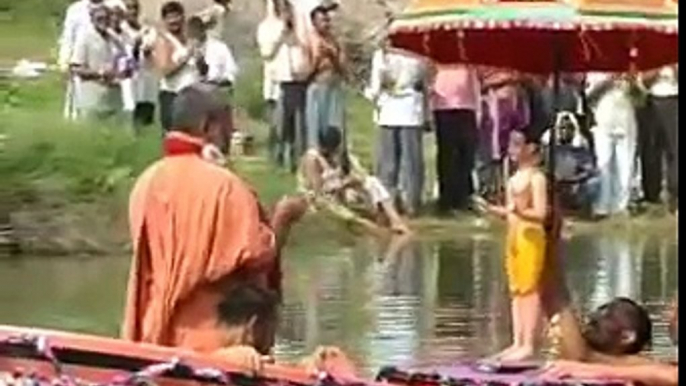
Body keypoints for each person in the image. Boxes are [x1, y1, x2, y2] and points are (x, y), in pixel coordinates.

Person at [122, 85, 307, 353]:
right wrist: (283, 221)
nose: (232, 135)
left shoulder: (146, 182)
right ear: (209, 126)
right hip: (211, 343)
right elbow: (258, 259)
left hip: (154, 336)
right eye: (228, 126)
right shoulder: (225, 187)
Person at [475, 130, 549, 362]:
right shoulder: (513, 178)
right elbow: (510, 212)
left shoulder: (537, 178)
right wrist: (493, 210)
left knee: (530, 290)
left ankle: (529, 343)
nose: (513, 150)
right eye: (512, 145)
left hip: (531, 237)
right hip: (515, 237)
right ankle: (517, 341)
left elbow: (541, 213)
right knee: (516, 291)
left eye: (518, 145)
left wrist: (520, 211)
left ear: (531, 149)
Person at [209, 282, 358, 379]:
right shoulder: (233, 361)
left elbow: (275, 371)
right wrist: (226, 361)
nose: (272, 342)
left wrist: (306, 367)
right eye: (271, 330)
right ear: (253, 326)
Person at [298, 127, 410, 234]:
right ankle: (375, 230)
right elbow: (318, 192)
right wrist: (341, 186)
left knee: (372, 182)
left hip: (342, 191)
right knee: (348, 213)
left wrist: (350, 182)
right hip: (323, 199)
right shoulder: (313, 159)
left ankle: (395, 220)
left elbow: (361, 174)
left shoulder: (341, 155)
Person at [366, 40, 430, 217]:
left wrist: (371, 95)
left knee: (388, 162)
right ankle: (410, 202)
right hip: (407, 109)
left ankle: (389, 203)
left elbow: (375, 85)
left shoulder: (383, 55)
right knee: (410, 161)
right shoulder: (417, 54)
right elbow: (424, 80)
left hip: (391, 109)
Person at [257, 0, 311, 172]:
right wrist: (282, 34)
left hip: (297, 81)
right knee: (280, 125)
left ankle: (296, 160)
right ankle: (277, 159)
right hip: (277, 82)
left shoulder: (299, 28)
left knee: (298, 124)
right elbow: (266, 53)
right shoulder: (266, 27)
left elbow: (305, 50)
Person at [429, 64, 480, 215]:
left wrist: (478, 110)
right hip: (443, 109)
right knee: (447, 155)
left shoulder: (467, 60)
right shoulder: (437, 62)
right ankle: (447, 199)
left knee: (466, 154)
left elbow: (474, 85)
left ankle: (464, 196)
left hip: (466, 108)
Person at [586, 72, 637, 218]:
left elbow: (640, 98)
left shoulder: (629, 68)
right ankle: (603, 205)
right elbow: (589, 96)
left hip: (626, 121)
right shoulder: (595, 71)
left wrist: (632, 82)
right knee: (604, 163)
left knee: (626, 166)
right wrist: (607, 81)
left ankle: (621, 205)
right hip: (603, 122)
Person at [69, 4, 127, 121]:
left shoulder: (115, 39)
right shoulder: (85, 38)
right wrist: (100, 73)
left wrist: (124, 70)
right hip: (92, 100)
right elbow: (75, 68)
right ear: (92, 19)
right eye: (99, 18)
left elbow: (125, 59)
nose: (103, 22)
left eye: (106, 18)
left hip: (114, 99)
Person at [153, 1, 201, 132]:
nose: (174, 21)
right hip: (173, 96)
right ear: (164, 20)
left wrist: (200, 60)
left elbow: (203, 71)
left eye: (176, 16)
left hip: (192, 95)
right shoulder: (164, 41)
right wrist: (186, 58)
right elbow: (165, 70)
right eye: (170, 18)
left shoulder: (189, 40)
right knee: (175, 138)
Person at [305, 6, 346, 152]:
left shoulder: (334, 40)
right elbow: (305, 71)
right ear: (314, 22)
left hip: (333, 85)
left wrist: (332, 56)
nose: (326, 24)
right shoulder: (309, 41)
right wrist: (317, 60)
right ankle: (316, 156)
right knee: (316, 125)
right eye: (322, 20)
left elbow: (342, 68)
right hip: (317, 85)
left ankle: (335, 153)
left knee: (334, 125)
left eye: (327, 20)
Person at [639, 65, 678, 213]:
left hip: (674, 99)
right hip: (652, 100)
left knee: (674, 149)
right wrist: (657, 69)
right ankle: (651, 193)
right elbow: (643, 80)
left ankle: (674, 193)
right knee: (651, 148)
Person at [58, 0, 104, 120]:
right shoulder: (75, 10)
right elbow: (68, 38)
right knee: (78, 99)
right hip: (80, 57)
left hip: (103, 54)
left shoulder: (115, 4)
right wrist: (64, 63)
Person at [121, 0, 158, 129]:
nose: (132, 12)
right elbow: (129, 57)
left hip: (148, 80)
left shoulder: (149, 30)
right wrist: (136, 46)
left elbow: (152, 50)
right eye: (129, 8)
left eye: (135, 8)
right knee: (130, 117)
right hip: (130, 82)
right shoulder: (121, 30)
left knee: (146, 118)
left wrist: (147, 50)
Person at [187, 16, 238, 89]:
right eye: (192, 33)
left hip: (217, 90)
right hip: (194, 93)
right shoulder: (185, 53)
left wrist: (221, 83)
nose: (195, 36)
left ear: (203, 30)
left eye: (197, 31)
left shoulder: (220, 47)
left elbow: (231, 71)